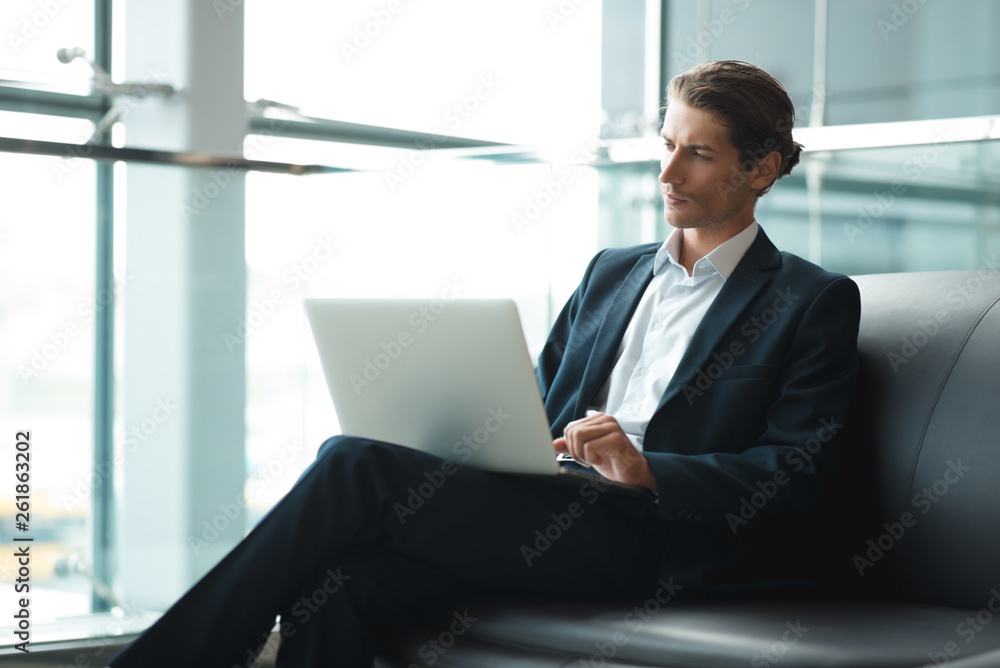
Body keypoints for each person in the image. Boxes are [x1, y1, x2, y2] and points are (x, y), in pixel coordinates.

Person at [109, 60, 860, 667]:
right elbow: (534, 406)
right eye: (667, 144)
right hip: (554, 509)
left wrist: (650, 468)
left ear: (760, 170)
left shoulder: (809, 300)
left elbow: (800, 473)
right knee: (342, 579)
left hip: (655, 536)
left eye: (698, 153)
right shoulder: (612, 272)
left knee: (353, 466)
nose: (668, 171)